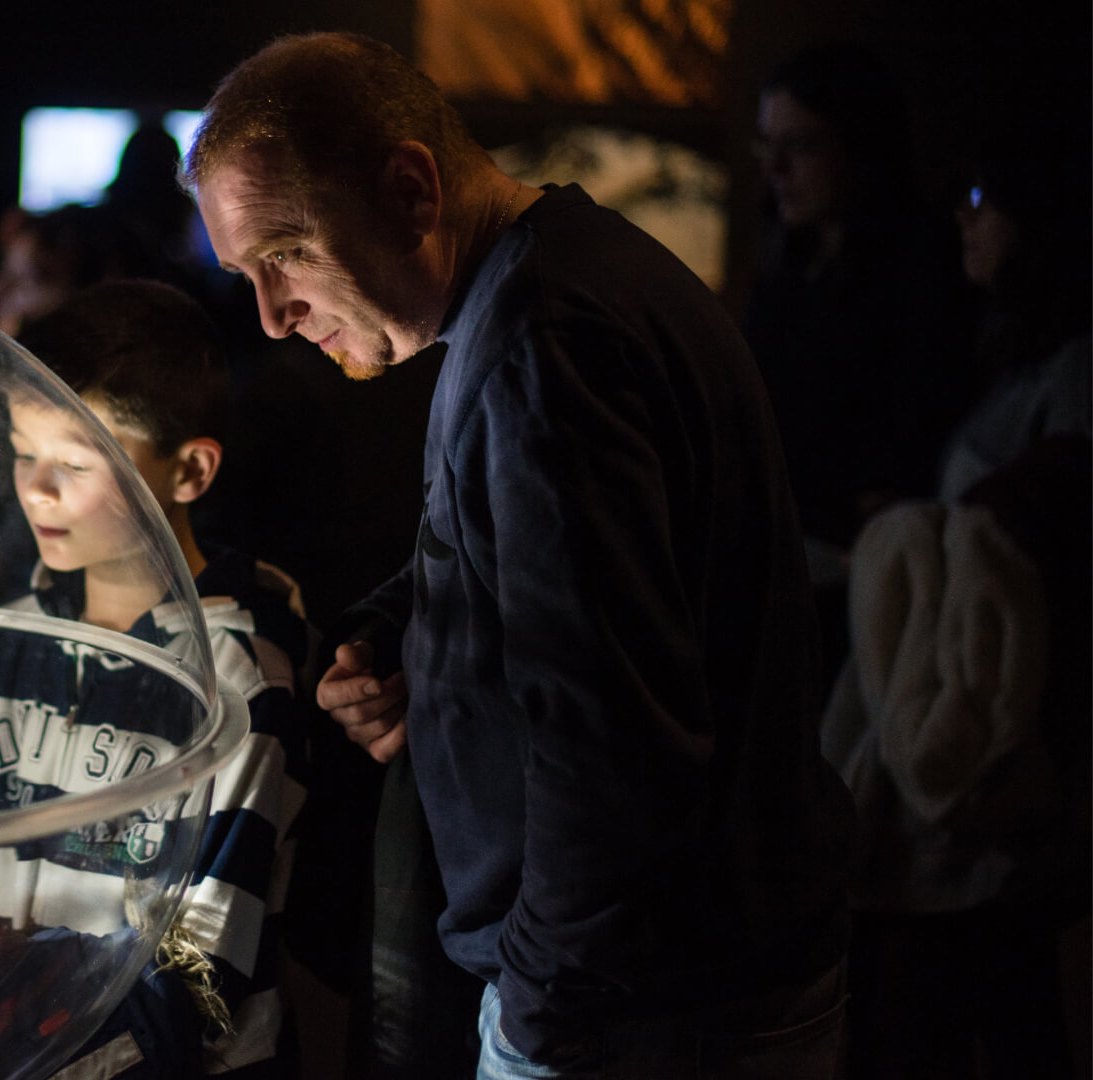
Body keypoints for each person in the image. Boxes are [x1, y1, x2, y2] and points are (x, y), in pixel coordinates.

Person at [185, 31, 856, 1079]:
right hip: (672, 985)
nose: (272, 317)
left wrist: (538, 1022)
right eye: (247, 276)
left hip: (647, 1014)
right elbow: (567, 576)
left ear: (410, 188)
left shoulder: (544, 349)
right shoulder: (559, 287)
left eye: (285, 255)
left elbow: (613, 747)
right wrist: (406, 636)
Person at [0, 279, 310, 1079]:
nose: (36, 489)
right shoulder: (9, 639)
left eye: (75, 462)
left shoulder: (233, 680)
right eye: (24, 454)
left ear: (188, 472)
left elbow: (207, 975)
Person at [821, 111, 1091, 1079]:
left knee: (949, 1010)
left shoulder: (1073, 374)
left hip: (993, 746)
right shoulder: (1011, 362)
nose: (961, 223)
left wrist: (938, 533)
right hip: (963, 753)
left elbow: (1042, 530)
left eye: (980, 203)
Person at [744, 42, 976, 672]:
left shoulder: (924, 270)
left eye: (803, 146)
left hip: (855, 567)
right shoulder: (787, 272)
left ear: (860, 148)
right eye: (768, 146)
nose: (776, 169)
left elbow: (908, 435)